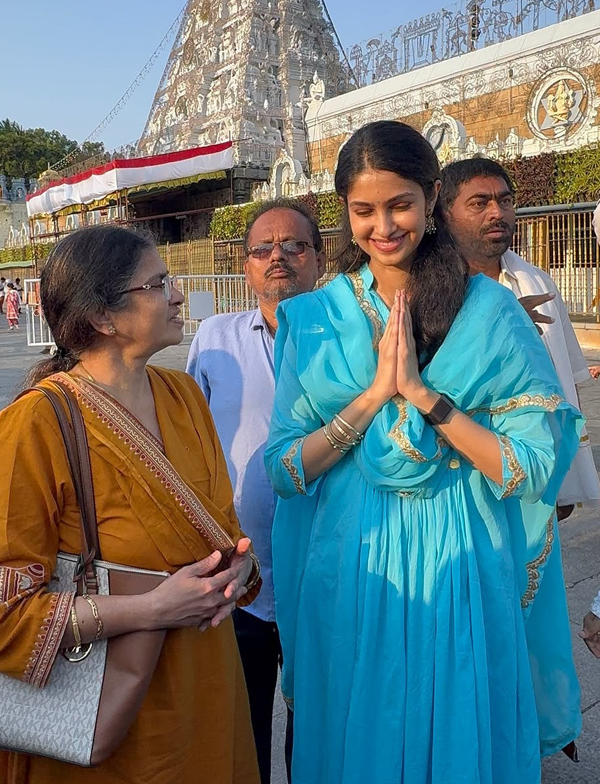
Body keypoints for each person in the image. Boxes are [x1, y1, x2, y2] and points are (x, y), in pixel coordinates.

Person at [265, 121, 582, 784]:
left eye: (400, 205)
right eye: (364, 210)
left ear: (432, 197)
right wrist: (373, 396)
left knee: (456, 735)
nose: (383, 227)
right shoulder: (314, 318)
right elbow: (286, 470)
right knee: (362, 740)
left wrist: (425, 398)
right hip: (352, 567)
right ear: (345, 211)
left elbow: (533, 466)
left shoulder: (489, 311)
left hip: (460, 565)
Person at [0, 225, 261, 784]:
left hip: (207, 688)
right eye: (158, 284)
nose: (177, 295)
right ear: (103, 316)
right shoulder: (35, 424)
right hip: (111, 718)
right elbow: (6, 611)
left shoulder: (184, 395)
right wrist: (152, 610)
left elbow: (222, 529)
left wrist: (238, 569)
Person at [186, 198, 326, 784]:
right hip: (238, 573)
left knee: (316, 726)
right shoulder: (215, 338)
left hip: (323, 570)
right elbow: (190, 438)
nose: (278, 257)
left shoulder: (347, 336)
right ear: (245, 265)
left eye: (294, 245)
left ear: (319, 258)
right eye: (262, 248)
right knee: (239, 731)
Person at [439, 156, 600, 518]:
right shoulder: (429, 290)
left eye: (505, 200)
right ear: (445, 213)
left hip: (536, 473)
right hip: (458, 478)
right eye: (479, 203)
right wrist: (498, 326)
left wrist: (567, 477)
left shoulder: (537, 282)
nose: (497, 213)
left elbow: (565, 384)